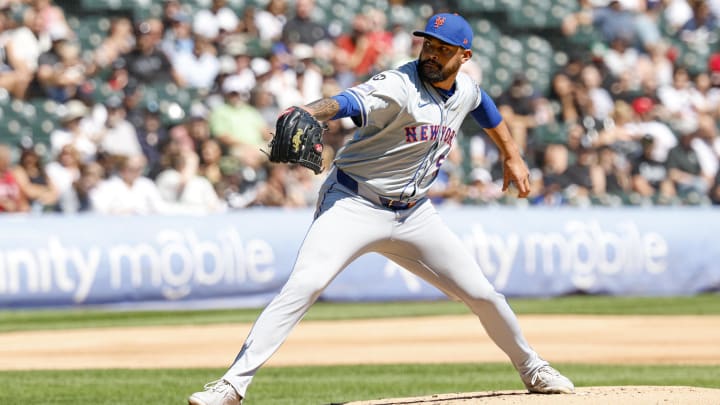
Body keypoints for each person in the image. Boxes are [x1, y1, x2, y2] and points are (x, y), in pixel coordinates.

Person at [187, 13, 574, 405]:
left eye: (443, 49)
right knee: (306, 283)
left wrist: (512, 155)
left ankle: (533, 368)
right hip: (354, 202)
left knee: (484, 295)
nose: (433, 54)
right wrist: (309, 111)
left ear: (464, 56)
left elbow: (485, 108)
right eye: (429, 45)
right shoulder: (397, 84)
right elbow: (346, 101)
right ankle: (232, 385)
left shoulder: (466, 90)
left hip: (414, 215)